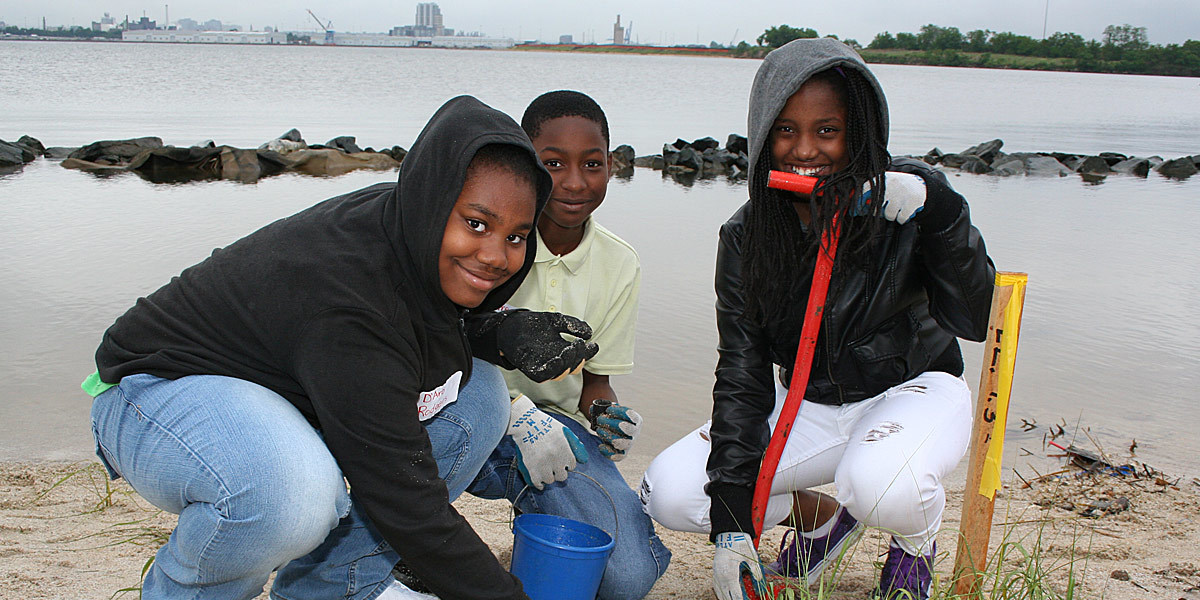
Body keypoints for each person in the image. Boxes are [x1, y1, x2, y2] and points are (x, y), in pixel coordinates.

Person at [82, 95, 600, 600]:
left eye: (516, 237)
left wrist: (497, 333)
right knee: (292, 498)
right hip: (155, 391)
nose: (495, 256)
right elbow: (408, 503)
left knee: (480, 395)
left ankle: (327, 588)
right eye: (477, 224)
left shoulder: (404, 223)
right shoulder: (349, 303)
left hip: (280, 388)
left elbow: (407, 325)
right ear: (432, 201)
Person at [639, 38, 995, 600]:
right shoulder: (746, 236)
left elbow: (976, 319)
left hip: (914, 390)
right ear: (762, 135)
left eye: (827, 130)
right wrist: (732, 528)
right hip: (809, 404)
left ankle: (914, 544)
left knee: (880, 485)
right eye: (785, 130)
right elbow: (742, 373)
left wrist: (941, 211)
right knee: (672, 491)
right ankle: (824, 521)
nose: (804, 150)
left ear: (859, 131)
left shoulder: (908, 199)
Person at [448, 91, 669, 600]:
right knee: (401, 514)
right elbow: (435, 350)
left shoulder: (620, 263)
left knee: (626, 578)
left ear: (612, 165)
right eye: (553, 163)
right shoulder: (488, 244)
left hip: (557, 436)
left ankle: (537, 525)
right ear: (527, 164)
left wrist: (607, 417)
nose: (574, 182)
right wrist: (513, 413)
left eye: (592, 164)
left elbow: (595, 384)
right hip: (460, 411)